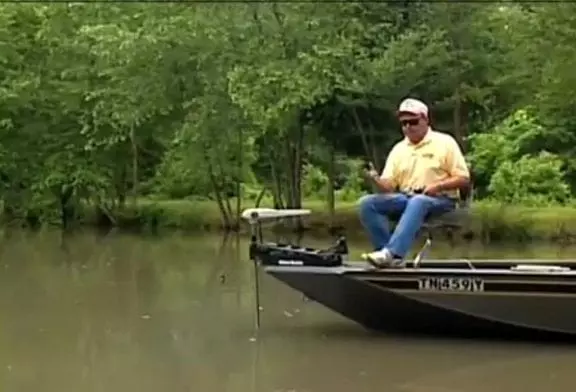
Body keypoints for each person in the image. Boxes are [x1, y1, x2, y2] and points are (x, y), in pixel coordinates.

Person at [357, 98, 471, 268]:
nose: (408, 127)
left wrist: (437, 186)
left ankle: (393, 253)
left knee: (419, 201)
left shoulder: (445, 142)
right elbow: (389, 186)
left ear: (425, 120)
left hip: (441, 199)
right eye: (404, 124)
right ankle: (386, 256)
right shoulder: (399, 149)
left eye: (413, 122)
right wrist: (375, 178)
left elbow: (463, 178)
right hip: (406, 197)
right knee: (367, 203)